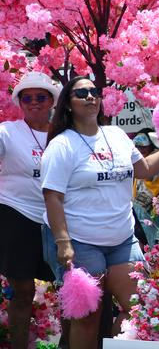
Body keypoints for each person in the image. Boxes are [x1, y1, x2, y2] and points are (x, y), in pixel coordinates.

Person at [42, 77, 159, 348]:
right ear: (68, 104)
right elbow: (52, 196)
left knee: (139, 309)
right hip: (80, 241)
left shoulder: (117, 135)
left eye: (94, 92)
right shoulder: (62, 145)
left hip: (122, 239)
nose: (89, 97)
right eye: (81, 93)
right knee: (87, 318)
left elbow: (143, 169)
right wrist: (63, 243)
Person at [0, 72, 59, 349]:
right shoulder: (7, 132)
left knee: (68, 288)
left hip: (58, 218)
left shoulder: (66, 135)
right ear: (20, 102)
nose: (34, 102)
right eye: (27, 98)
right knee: (22, 292)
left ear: (52, 101)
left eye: (41, 97)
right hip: (17, 214)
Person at [132, 129, 159, 247]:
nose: (140, 149)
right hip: (139, 213)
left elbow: (152, 177)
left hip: (156, 213)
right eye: (136, 146)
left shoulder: (157, 162)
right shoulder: (138, 162)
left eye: (143, 146)